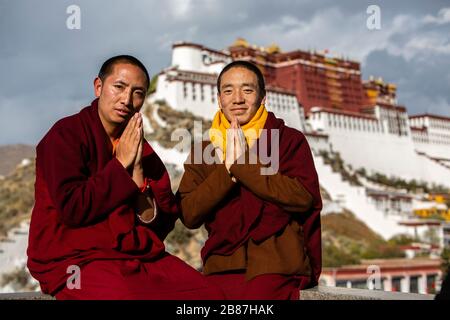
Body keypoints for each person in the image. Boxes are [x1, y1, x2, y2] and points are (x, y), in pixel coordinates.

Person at [27, 55, 224, 300]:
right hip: (75, 257)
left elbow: (161, 224)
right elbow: (72, 208)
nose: (127, 100)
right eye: (119, 87)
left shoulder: (138, 147)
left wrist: (138, 176)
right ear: (99, 87)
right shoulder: (65, 136)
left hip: (136, 253)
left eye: (138, 92)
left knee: (207, 295)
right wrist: (121, 166)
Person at [178, 60, 322, 300]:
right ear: (219, 99)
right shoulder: (204, 149)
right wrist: (227, 172)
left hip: (276, 262)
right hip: (221, 263)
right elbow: (189, 213)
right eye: (228, 91)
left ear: (263, 98)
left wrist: (243, 165)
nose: (237, 99)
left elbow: (302, 198)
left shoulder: (288, 141)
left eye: (247, 90)